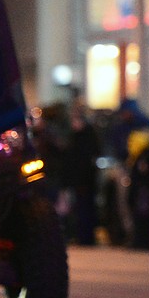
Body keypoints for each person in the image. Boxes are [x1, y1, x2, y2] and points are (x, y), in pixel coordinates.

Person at [63, 101, 102, 246]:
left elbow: (86, 160)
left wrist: (82, 179)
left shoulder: (86, 135)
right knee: (80, 210)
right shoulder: (75, 135)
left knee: (86, 210)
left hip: (85, 181)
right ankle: (82, 236)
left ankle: (87, 238)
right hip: (79, 181)